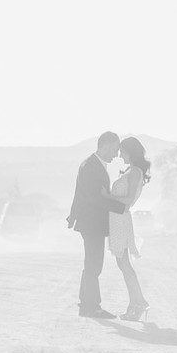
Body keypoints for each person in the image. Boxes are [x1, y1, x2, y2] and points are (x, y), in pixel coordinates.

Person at [67, 132, 127, 318]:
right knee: (94, 265)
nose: (117, 155)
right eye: (115, 149)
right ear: (106, 146)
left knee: (91, 264)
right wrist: (121, 207)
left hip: (89, 222)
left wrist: (72, 216)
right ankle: (92, 307)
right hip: (92, 223)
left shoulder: (91, 164)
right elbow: (95, 198)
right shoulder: (91, 166)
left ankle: (85, 302)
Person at [107, 136, 151, 321]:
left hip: (121, 220)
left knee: (124, 264)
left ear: (130, 152)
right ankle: (137, 303)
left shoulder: (134, 173)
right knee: (122, 264)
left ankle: (139, 303)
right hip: (116, 220)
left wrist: (106, 196)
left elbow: (127, 201)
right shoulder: (131, 171)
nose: (119, 154)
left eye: (122, 151)